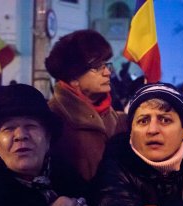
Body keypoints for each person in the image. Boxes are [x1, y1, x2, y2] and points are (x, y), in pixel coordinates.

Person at [45, 29, 127, 181]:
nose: (107, 72)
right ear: (74, 77)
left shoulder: (120, 120)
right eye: (97, 67)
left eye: (106, 64)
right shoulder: (51, 119)